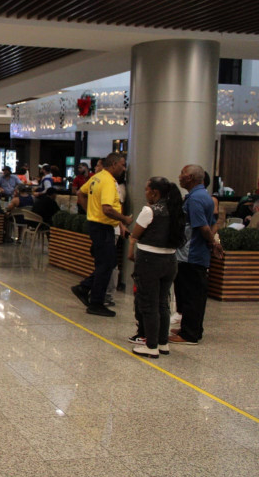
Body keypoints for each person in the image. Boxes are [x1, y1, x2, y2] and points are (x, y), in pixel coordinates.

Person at [128, 177, 186, 358]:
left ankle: (151, 346)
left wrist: (131, 248)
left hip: (149, 261)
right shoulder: (176, 210)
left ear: (154, 192)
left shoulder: (149, 210)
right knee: (163, 302)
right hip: (170, 260)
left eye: (146, 189)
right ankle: (163, 343)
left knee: (149, 303)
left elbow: (136, 234)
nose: (145, 193)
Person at [72, 152, 132, 317]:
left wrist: (90, 212)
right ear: (113, 164)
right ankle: (95, 302)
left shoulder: (97, 177)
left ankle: (84, 288)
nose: (124, 168)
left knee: (107, 263)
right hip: (102, 227)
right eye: (122, 164)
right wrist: (124, 219)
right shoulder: (107, 181)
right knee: (106, 265)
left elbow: (80, 194)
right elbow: (107, 208)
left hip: (97, 225)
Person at [170, 164, 223, 345]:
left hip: (190, 255)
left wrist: (212, 243)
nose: (180, 176)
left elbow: (204, 227)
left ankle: (189, 334)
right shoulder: (203, 197)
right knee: (193, 294)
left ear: (191, 178)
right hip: (195, 254)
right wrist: (212, 242)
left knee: (191, 294)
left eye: (183, 173)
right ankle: (190, 328)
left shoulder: (195, 199)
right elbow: (215, 223)